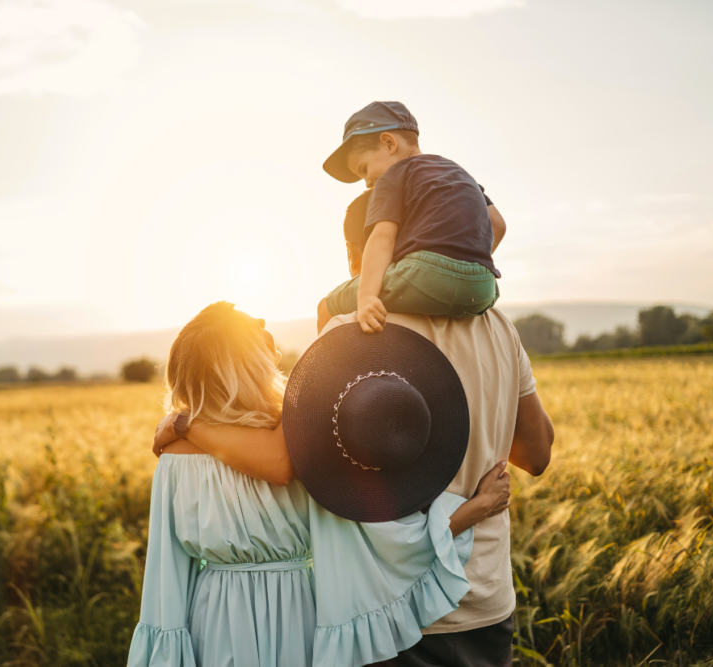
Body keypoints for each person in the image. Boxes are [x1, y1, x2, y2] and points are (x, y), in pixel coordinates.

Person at [155, 301, 554, 666]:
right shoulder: (304, 456)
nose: (261, 322)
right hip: (298, 622)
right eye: (251, 327)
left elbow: (165, 572)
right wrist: (475, 509)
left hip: (212, 624)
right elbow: (384, 544)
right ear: (244, 363)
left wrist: (184, 422)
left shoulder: (171, 457)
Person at [320, 101, 509, 333]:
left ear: (389, 143)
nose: (368, 182)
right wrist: (464, 261)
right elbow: (498, 224)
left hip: (428, 276)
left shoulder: (393, 176)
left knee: (327, 306)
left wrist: (367, 297)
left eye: (364, 169)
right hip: (484, 287)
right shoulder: (459, 172)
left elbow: (382, 239)